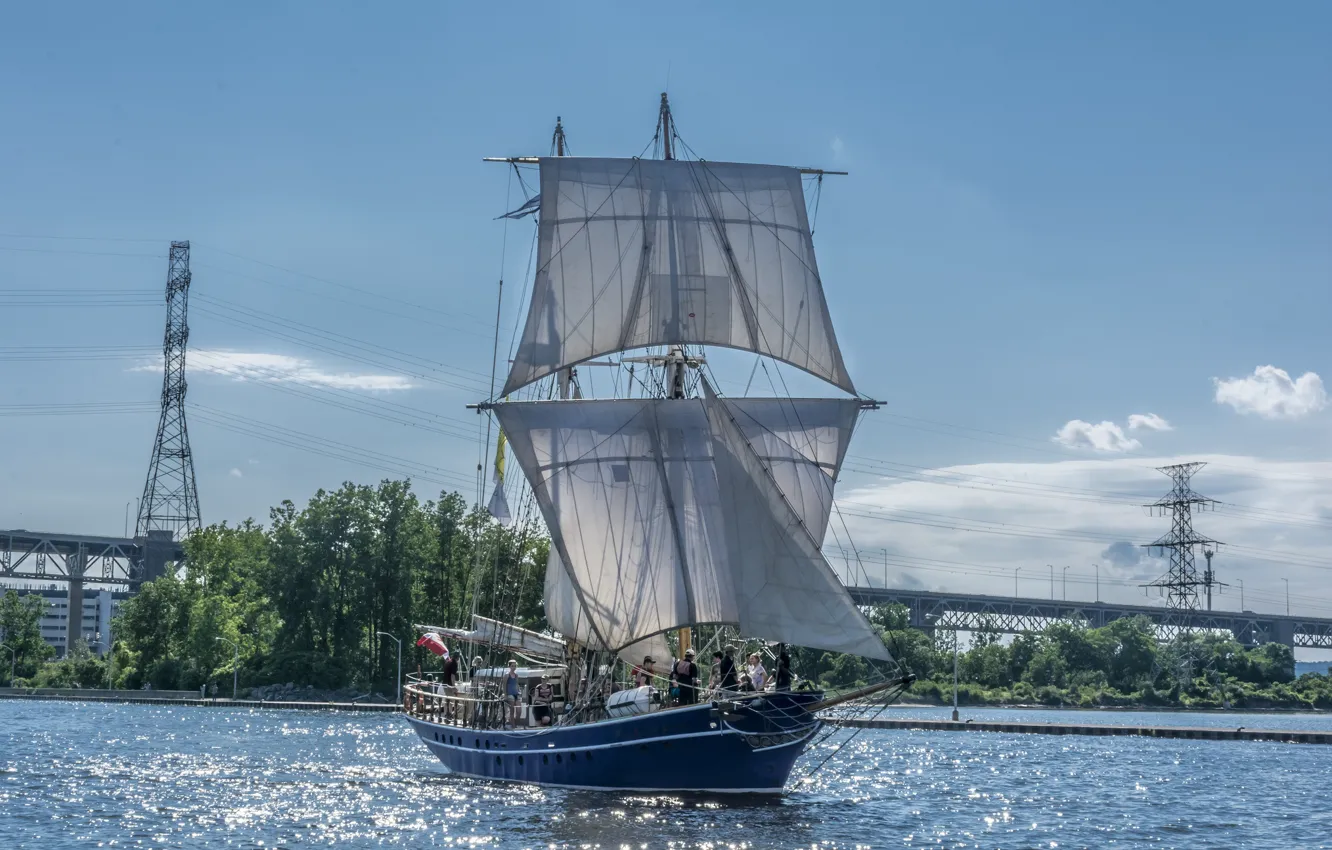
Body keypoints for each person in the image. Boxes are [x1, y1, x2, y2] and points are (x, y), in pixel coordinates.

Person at [503, 660, 521, 726]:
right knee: (512, 710)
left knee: (519, 711)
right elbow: (504, 685)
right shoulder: (507, 675)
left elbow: (517, 684)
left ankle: (514, 722)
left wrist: (519, 691)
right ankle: (513, 725)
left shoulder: (516, 675)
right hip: (510, 694)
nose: (514, 667)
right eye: (512, 666)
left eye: (515, 666)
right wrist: (505, 695)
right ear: (509, 666)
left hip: (516, 693)